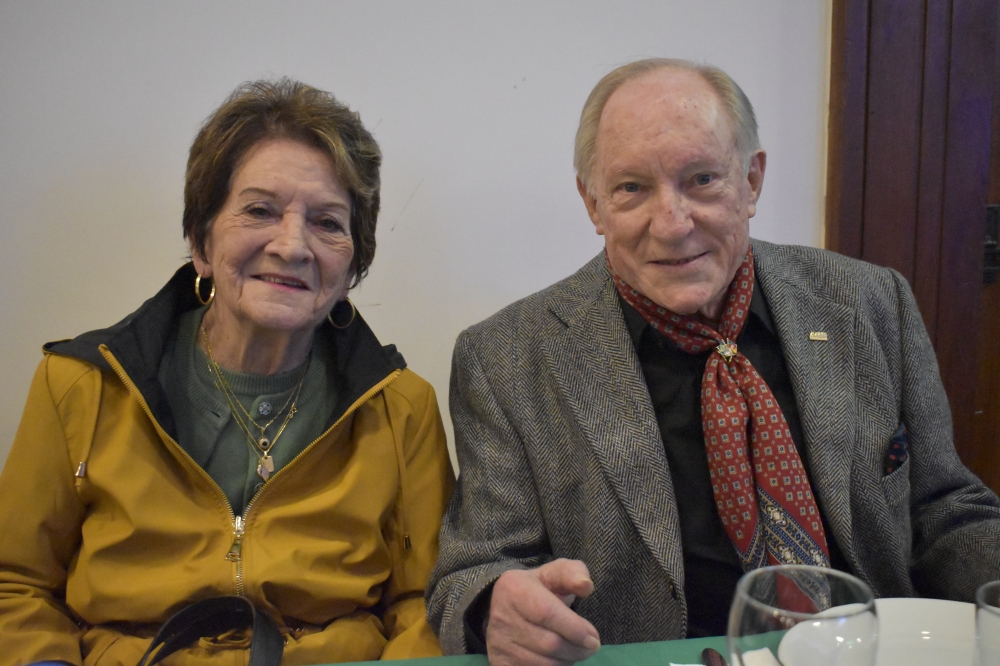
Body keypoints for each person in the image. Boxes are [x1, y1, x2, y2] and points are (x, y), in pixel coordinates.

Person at [426, 58, 1000, 665]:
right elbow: (472, 572)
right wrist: (493, 607)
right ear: (592, 203)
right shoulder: (506, 358)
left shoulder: (870, 303)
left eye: (702, 179)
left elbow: (946, 509)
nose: (673, 225)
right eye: (632, 188)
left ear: (751, 181)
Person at [0, 79, 454, 665]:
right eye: (260, 211)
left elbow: (425, 602)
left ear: (351, 269)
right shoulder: (79, 386)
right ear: (201, 242)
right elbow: (16, 584)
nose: (292, 246)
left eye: (327, 222)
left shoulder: (402, 409)